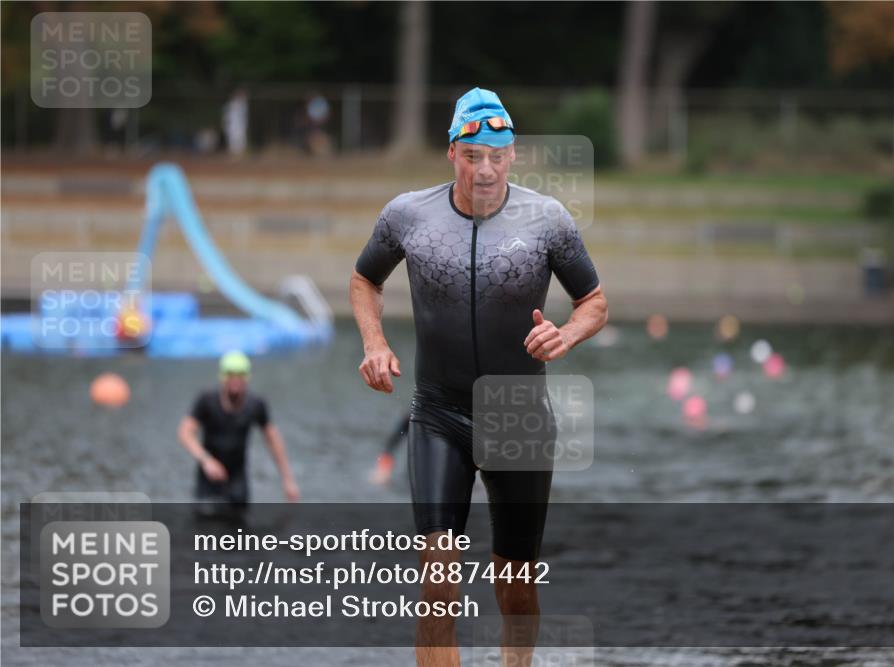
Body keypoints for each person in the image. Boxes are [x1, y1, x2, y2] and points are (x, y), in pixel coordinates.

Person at [350, 87, 608, 666]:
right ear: (452, 154)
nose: (484, 169)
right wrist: (374, 342)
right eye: (472, 156)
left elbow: (593, 301)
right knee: (438, 582)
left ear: (513, 154)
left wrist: (566, 334)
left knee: (515, 588)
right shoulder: (408, 215)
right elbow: (365, 280)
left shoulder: (547, 221)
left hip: (518, 416)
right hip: (439, 413)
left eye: (496, 155)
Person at [177, 350, 300, 511]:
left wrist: (287, 479)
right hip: (208, 477)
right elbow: (185, 433)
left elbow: (272, 438)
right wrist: (206, 460)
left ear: (247, 376)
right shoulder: (206, 400)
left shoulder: (255, 404)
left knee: (239, 528)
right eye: (230, 374)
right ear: (223, 376)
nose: (235, 380)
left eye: (240, 374)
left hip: (237, 477)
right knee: (204, 526)